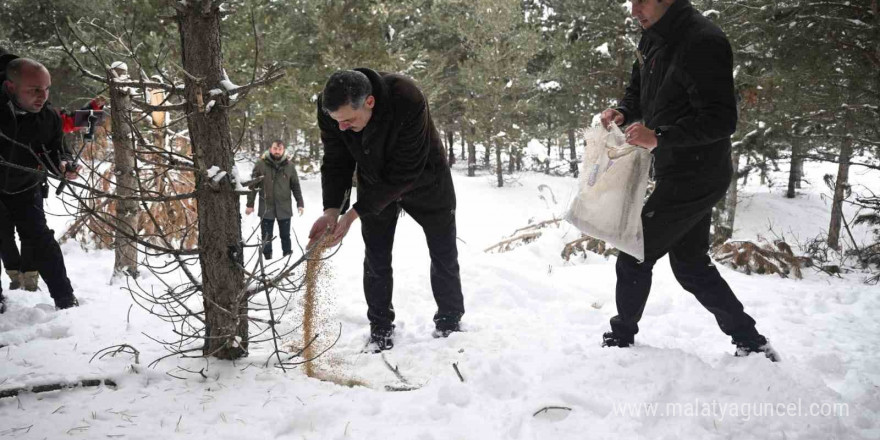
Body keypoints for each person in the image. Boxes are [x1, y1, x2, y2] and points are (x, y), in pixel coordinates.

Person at [598, 0, 777, 360]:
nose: (634, 10)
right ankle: (751, 342)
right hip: (677, 167)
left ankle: (620, 342)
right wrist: (624, 110)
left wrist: (660, 136)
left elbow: (720, 119)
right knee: (690, 265)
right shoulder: (652, 36)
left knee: (634, 251)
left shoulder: (703, 41)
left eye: (641, 1)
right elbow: (640, 91)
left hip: (698, 171)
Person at [308, 69, 464, 352]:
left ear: (369, 102)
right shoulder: (331, 109)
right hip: (373, 180)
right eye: (337, 121)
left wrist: (354, 213)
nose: (342, 127)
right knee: (376, 256)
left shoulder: (407, 97)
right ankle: (380, 326)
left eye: (348, 121)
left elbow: (406, 170)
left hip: (425, 178)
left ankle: (450, 321)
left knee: (443, 251)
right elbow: (335, 159)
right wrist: (332, 210)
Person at [0, 57, 80, 312]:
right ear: (10, 87)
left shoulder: (48, 117)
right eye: (34, 90)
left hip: (25, 187)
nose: (42, 96)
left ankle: (66, 300)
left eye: (46, 89)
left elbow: (57, 149)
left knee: (41, 240)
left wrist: (64, 164)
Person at [245, 140, 305, 259]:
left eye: (280, 149)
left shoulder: (290, 166)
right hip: (266, 206)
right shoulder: (260, 164)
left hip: (284, 207)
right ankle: (267, 256)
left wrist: (300, 203)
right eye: (275, 148)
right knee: (266, 235)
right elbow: (253, 185)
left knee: (285, 235)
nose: (277, 151)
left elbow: (295, 186)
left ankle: (287, 256)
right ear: (270, 149)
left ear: (283, 150)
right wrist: (250, 204)